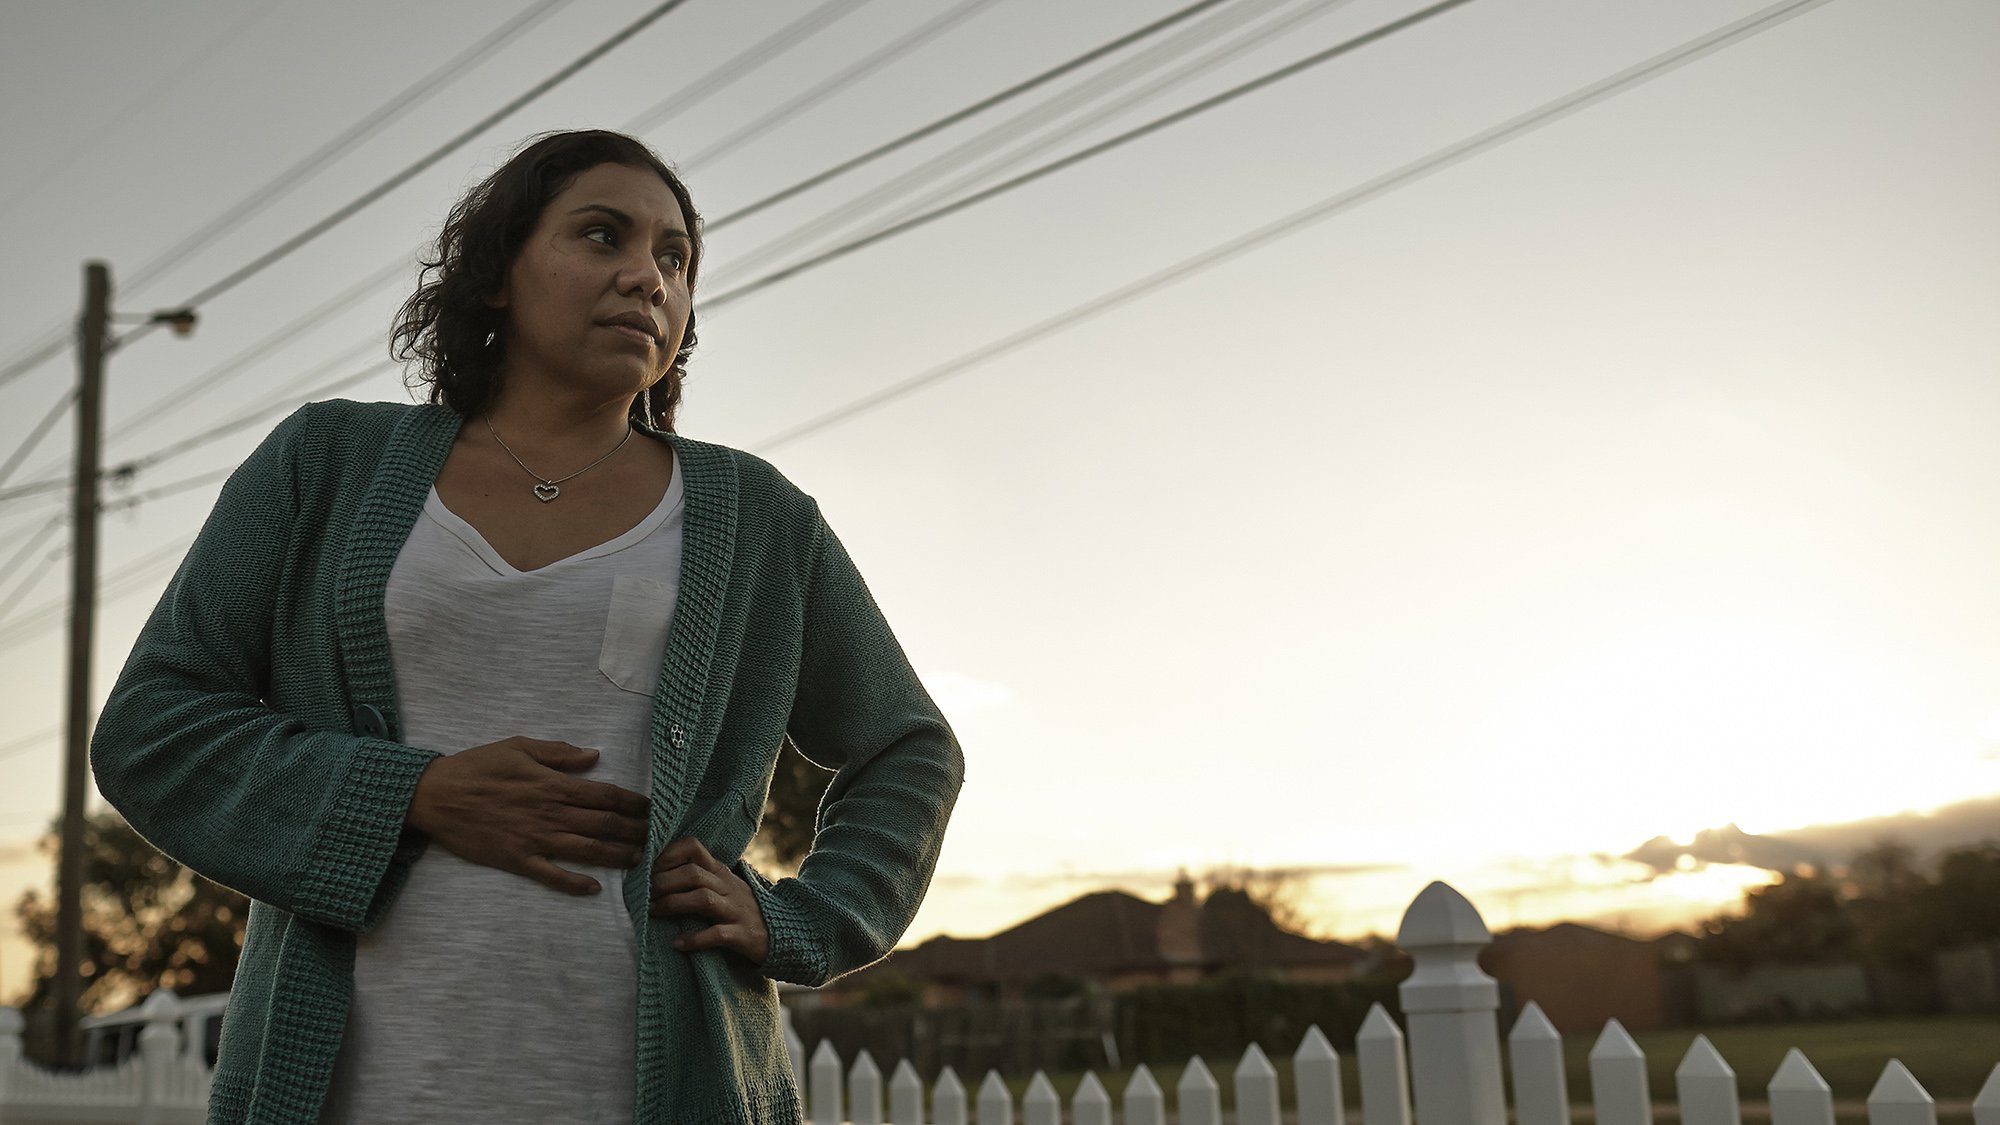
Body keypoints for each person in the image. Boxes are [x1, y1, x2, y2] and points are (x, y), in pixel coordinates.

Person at [90, 129, 964, 1125]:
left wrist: (799, 917)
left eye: (674, 258)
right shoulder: (324, 463)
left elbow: (907, 748)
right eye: (602, 236)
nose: (647, 276)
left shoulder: (756, 518)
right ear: (498, 272)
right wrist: (410, 794)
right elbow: (152, 728)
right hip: (352, 1093)